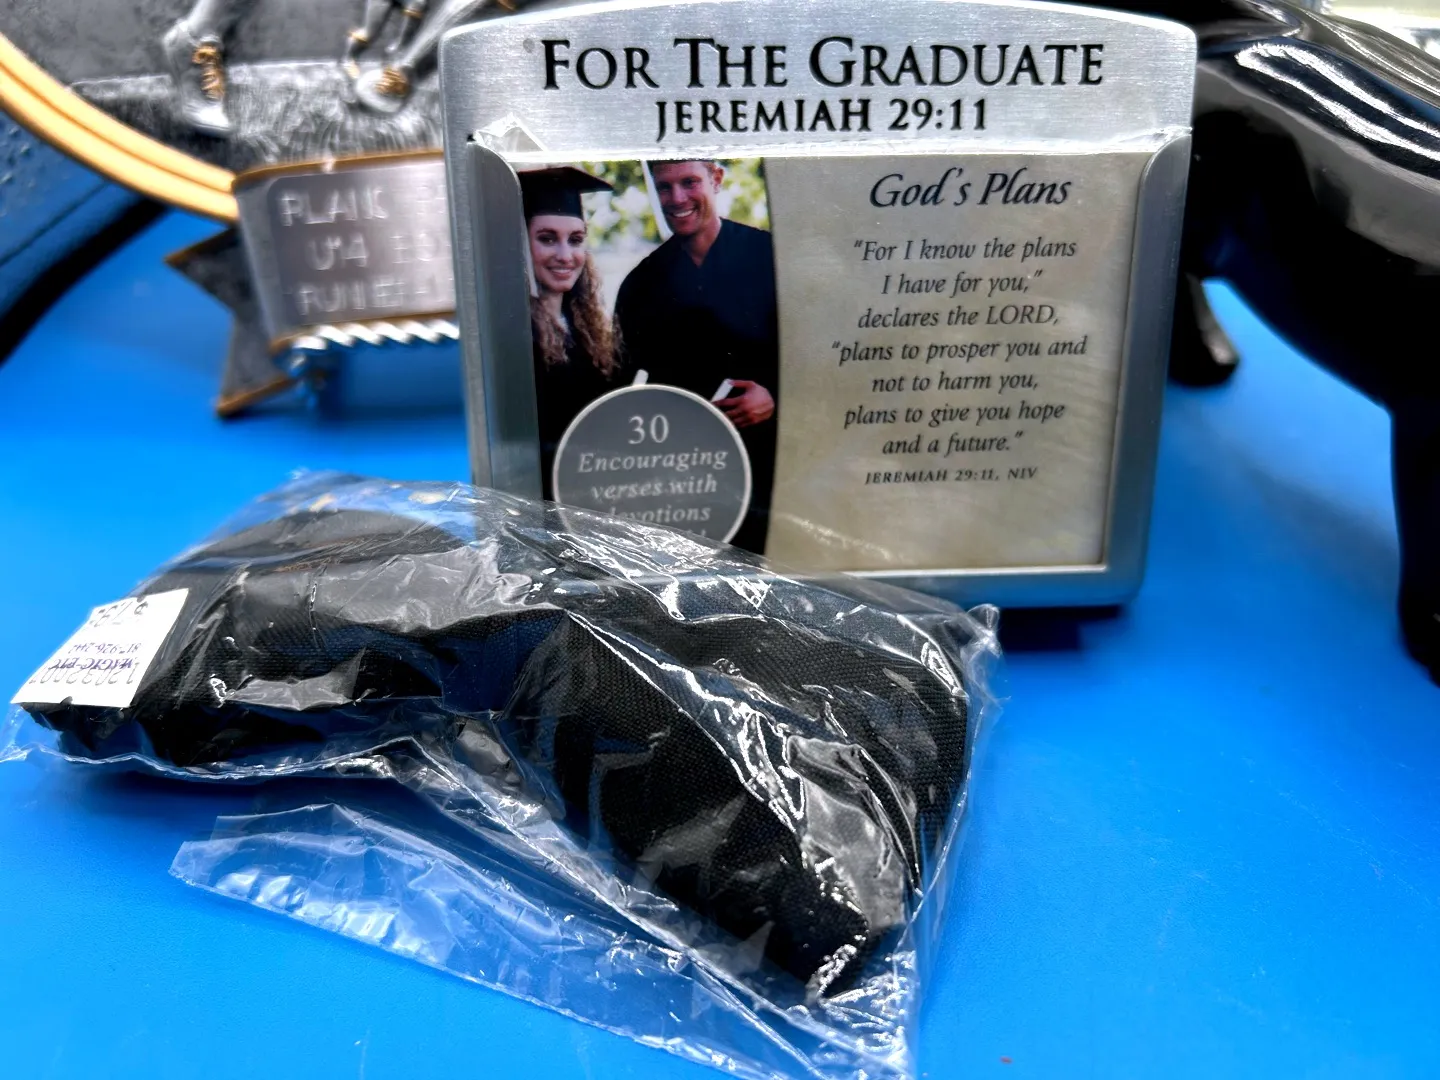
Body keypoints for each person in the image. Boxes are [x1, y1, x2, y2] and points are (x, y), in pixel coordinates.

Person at [613, 159, 779, 551]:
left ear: (716, 179)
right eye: (664, 186)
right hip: (690, 478)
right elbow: (618, 388)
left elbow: (820, 356)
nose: (677, 198)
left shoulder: (771, 257)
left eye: (689, 182)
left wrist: (775, 396)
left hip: (775, 463)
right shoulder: (642, 284)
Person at [518, 167, 621, 495]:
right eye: (547, 239)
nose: (565, 256)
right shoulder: (515, 336)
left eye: (575, 240)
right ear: (521, 244)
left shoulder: (587, 330)